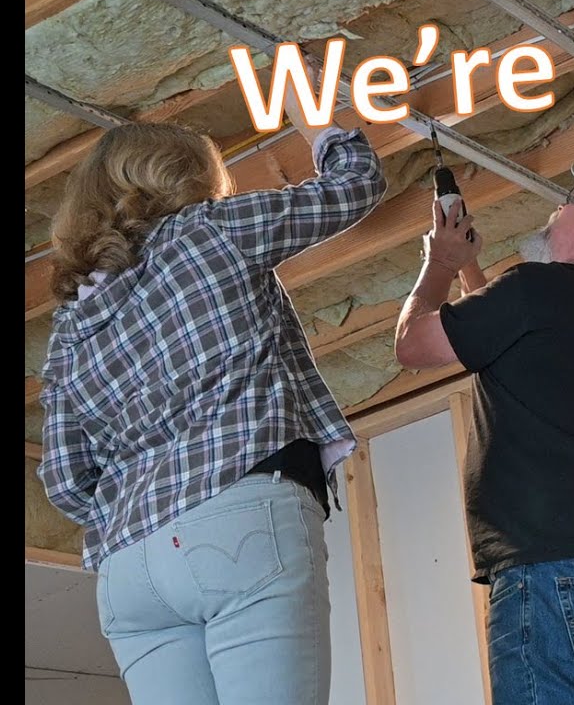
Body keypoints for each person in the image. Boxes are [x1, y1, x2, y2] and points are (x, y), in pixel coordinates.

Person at [37, 81, 387, 705]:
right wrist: (317, 124)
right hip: (238, 515)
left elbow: (64, 477)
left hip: (130, 567)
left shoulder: (70, 324)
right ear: (183, 175)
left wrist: (138, 507)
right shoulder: (210, 230)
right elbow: (354, 185)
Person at [394, 164, 574, 704]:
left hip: (555, 569)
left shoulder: (537, 289)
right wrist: (471, 271)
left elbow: (413, 346)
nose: (559, 206)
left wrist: (439, 264)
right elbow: (513, 355)